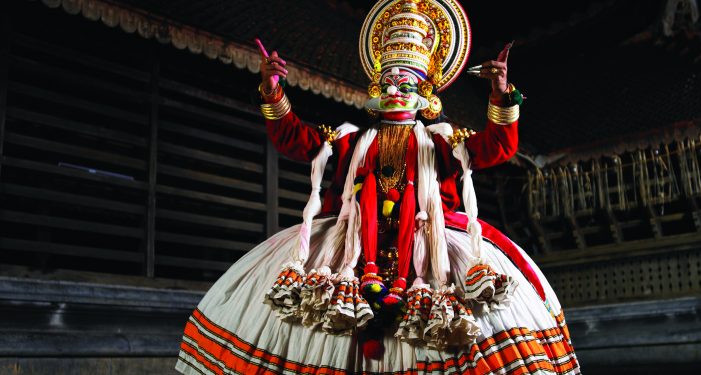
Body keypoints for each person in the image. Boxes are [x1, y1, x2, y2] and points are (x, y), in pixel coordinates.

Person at [176, 0, 581, 374]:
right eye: (386, 83)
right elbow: (297, 140)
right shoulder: (353, 139)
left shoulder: (441, 142)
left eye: (404, 86)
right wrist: (273, 90)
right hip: (351, 247)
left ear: (424, 95)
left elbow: (496, 147)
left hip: (430, 249)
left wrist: (500, 96)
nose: (393, 91)